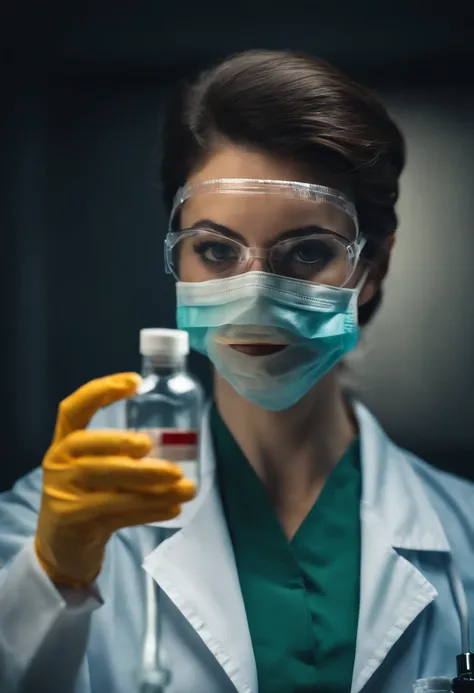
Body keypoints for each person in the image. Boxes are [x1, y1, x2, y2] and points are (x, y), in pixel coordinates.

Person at [0, 49, 473, 693]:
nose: (253, 297)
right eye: (217, 251)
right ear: (178, 256)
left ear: (374, 268)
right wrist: (52, 579)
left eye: (307, 251)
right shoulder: (49, 523)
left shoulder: (465, 535)